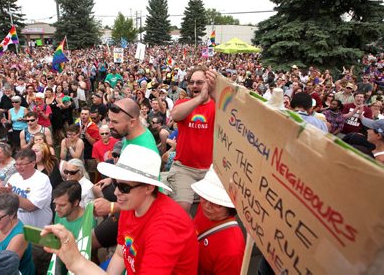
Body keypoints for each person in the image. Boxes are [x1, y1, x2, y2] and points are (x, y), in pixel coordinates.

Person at [40, 144, 198, 274]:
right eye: (116, 183)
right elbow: (121, 253)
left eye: (124, 187)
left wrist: (76, 261)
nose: (116, 192)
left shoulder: (166, 228)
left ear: (149, 188)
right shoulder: (132, 206)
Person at [0, 149, 52, 274]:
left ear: (33, 163)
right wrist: (0, 193)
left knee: (36, 267)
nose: (19, 168)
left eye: (22, 164)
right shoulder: (14, 178)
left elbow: (31, 206)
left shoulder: (42, 180)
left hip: (36, 235)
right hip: (15, 232)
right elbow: (6, 203)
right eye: (17, 164)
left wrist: (11, 194)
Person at [167, 67, 217, 213]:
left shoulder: (216, 105)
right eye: (192, 82)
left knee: (212, 211)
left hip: (210, 170)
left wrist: (214, 94)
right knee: (182, 208)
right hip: (184, 168)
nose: (195, 85)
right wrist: (200, 98)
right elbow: (175, 115)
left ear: (208, 84)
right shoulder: (182, 103)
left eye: (200, 82)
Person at [191, 165, 245, 274]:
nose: (207, 206)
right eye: (204, 196)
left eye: (216, 204)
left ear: (230, 207)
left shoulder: (232, 251)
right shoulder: (207, 210)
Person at [51, 181, 94, 275]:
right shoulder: (59, 214)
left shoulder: (88, 221)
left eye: (62, 205)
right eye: (55, 204)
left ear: (75, 203)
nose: (56, 209)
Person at [77, 107, 101, 182]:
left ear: (89, 115)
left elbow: (95, 144)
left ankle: (92, 185)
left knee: (92, 172)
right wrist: (79, 133)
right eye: (82, 114)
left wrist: (86, 134)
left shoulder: (93, 127)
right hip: (79, 154)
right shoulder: (76, 124)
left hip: (90, 154)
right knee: (80, 172)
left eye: (85, 114)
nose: (83, 116)